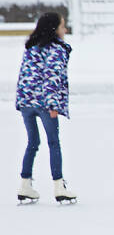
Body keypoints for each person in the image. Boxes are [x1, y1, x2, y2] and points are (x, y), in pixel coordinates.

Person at [15, 12, 76, 204]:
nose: (65, 30)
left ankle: (25, 184)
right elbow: (52, 77)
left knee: (32, 143)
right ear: (54, 29)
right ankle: (59, 186)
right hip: (44, 103)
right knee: (53, 143)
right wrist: (52, 104)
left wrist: (22, 102)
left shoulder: (31, 47)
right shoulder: (56, 49)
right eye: (62, 26)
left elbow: (23, 76)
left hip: (26, 103)